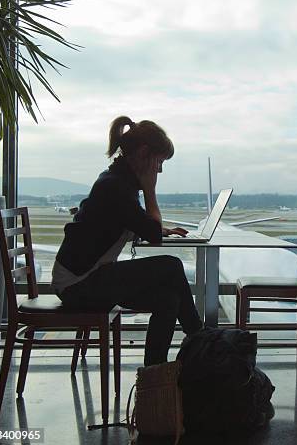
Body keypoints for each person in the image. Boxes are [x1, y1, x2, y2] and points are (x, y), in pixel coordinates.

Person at [51, 115, 203, 366]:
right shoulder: (117, 187)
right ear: (144, 153)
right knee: (172, 266)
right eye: (160, 162)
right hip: (78, 285)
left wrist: (159, 228)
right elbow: (152, 237)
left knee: (169, 299)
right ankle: (198, 336)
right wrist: (150, 190)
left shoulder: (116, 181)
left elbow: (130, 225)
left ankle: (155, 373)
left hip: (86, 280)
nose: (160, 170)